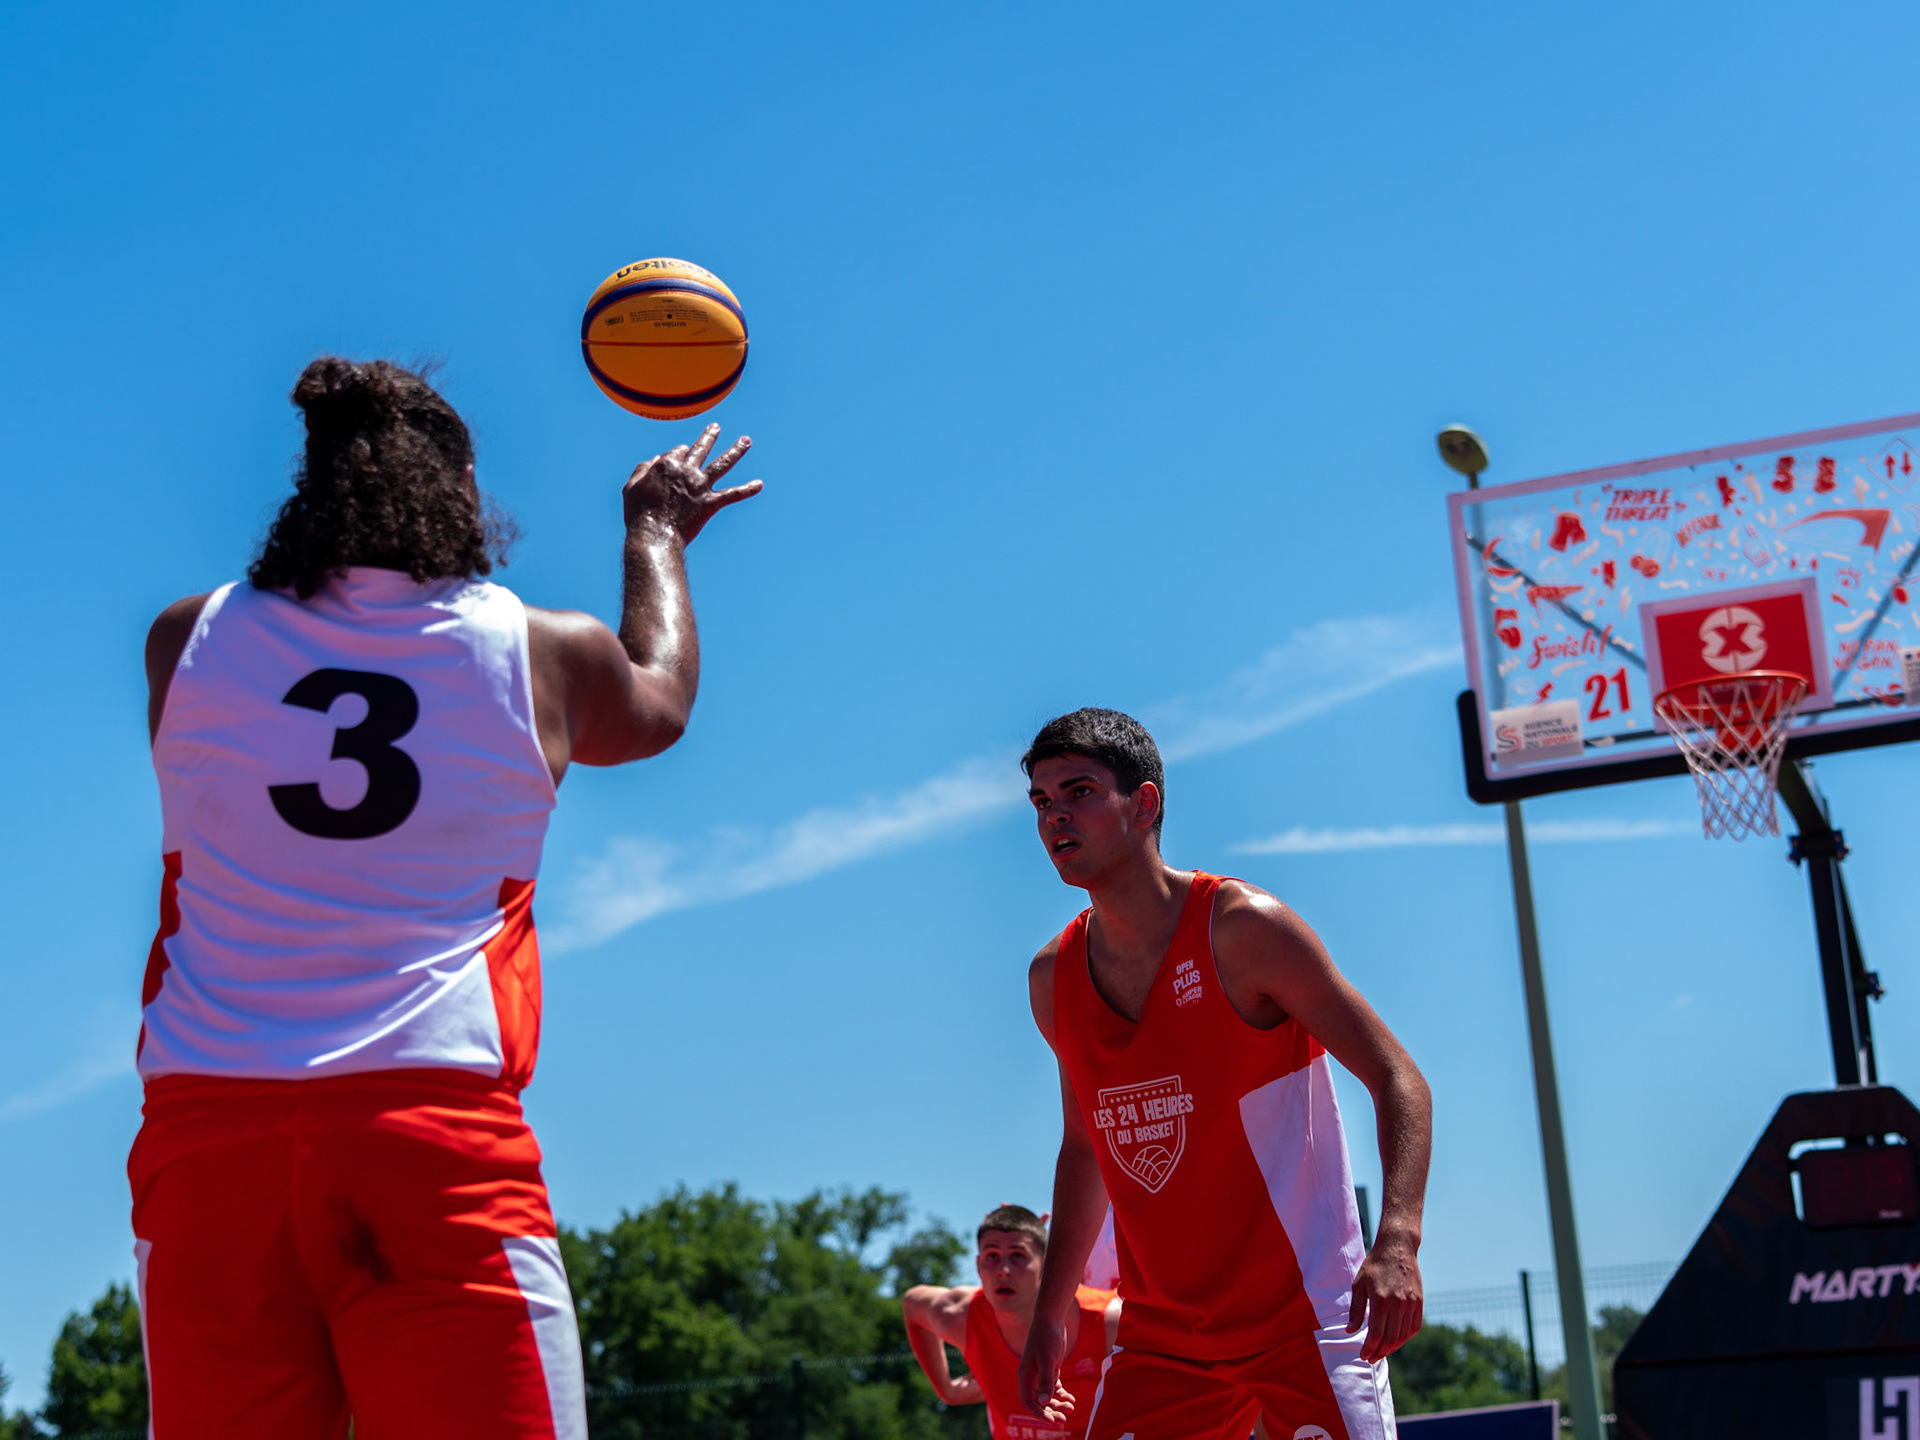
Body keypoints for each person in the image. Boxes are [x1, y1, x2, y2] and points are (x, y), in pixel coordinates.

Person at [130, 358, 761, 1440]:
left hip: (205, 1146)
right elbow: (657, 703)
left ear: (314, 487)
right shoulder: (540, 650)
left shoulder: (184, 640)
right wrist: (654, 536)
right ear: (461, 489)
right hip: (429, 1139)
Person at [1014, 709, 1432, 1440]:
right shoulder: (1055, 978)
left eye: (1079, 792)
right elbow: (1085, 1149)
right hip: (1166, 1338)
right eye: (1042, 802)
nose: (1055, 817)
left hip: (1305, 1316)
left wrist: (1398, 1239)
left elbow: (1398, 1077)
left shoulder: (1241, 928)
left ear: (1144, 804)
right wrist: (1052, 1310)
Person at [902, 1205, 1118, 1440]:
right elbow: (912, 1304)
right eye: (992, 1256)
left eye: (1018, 1256)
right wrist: (947, 1391)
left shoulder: (1108, 1321)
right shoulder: (960, 1315)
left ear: (1046, 1264)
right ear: (978, 1266)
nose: (1004, 1270)